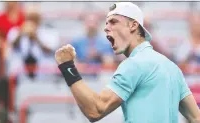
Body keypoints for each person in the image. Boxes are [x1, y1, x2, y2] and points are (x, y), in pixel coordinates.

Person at [55, 2, 200, 123]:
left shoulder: (134, 64)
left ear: (133, 26)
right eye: (106, 24)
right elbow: (196, 117)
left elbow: (95, 110)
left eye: (113, 22)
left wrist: (67, 66)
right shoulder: (172, 67)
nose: (105, 28)